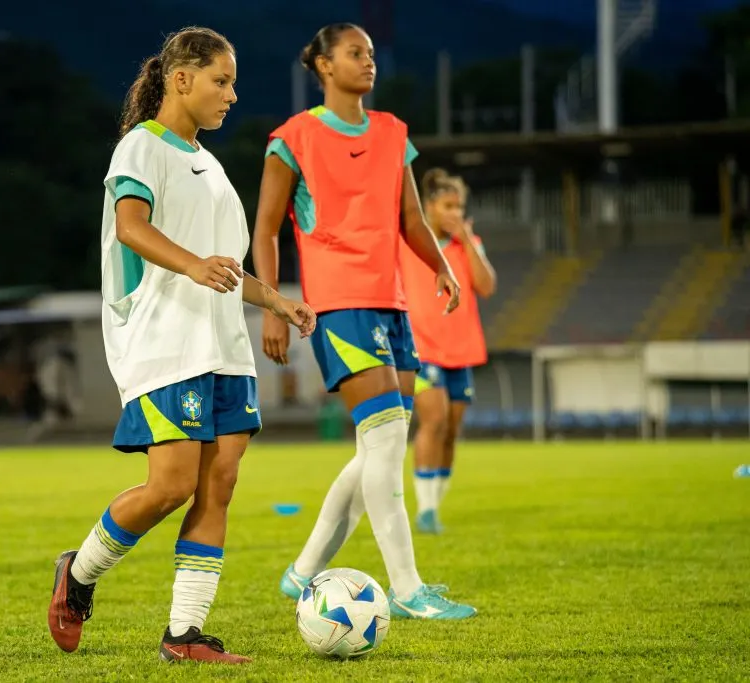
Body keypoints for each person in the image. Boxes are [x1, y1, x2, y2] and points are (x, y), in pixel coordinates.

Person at [46, 27, 316, 665]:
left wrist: (274, 299)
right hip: (166, 341)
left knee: (218, 485)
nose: (232, 94)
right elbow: (131, 227)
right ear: (181, 79)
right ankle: (78, 574)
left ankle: (185, 635)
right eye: (221, 81)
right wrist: (194, 266)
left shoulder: (213, 166)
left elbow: (223, 266)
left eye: (232, 82)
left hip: (224, 345)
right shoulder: (141, 148)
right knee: (169, 485)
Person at [252, 23, 476, 620]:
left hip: (392, 301)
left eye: (371, 53)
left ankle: (302, 572)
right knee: (382, 442)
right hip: (337, 302)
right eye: (355, 53)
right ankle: (406, 590)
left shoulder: (392, 132)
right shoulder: (293, 138)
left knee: (382, 445)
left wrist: (441, 267)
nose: (367, 61)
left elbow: (409, 217)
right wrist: (274, 304)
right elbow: (267, 228)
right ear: (324, 65)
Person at [404, 170, 497, 535]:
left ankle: (434, 506)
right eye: (448, 206)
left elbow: (487, 286)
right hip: (421, 348)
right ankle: (424, 510)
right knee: (435, 420)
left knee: (452, 430)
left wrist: (467, 241)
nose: (455, 212)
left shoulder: (467, 242)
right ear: (429, 206)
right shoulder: (409, 241)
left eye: (459, 206)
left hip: (461, 350)